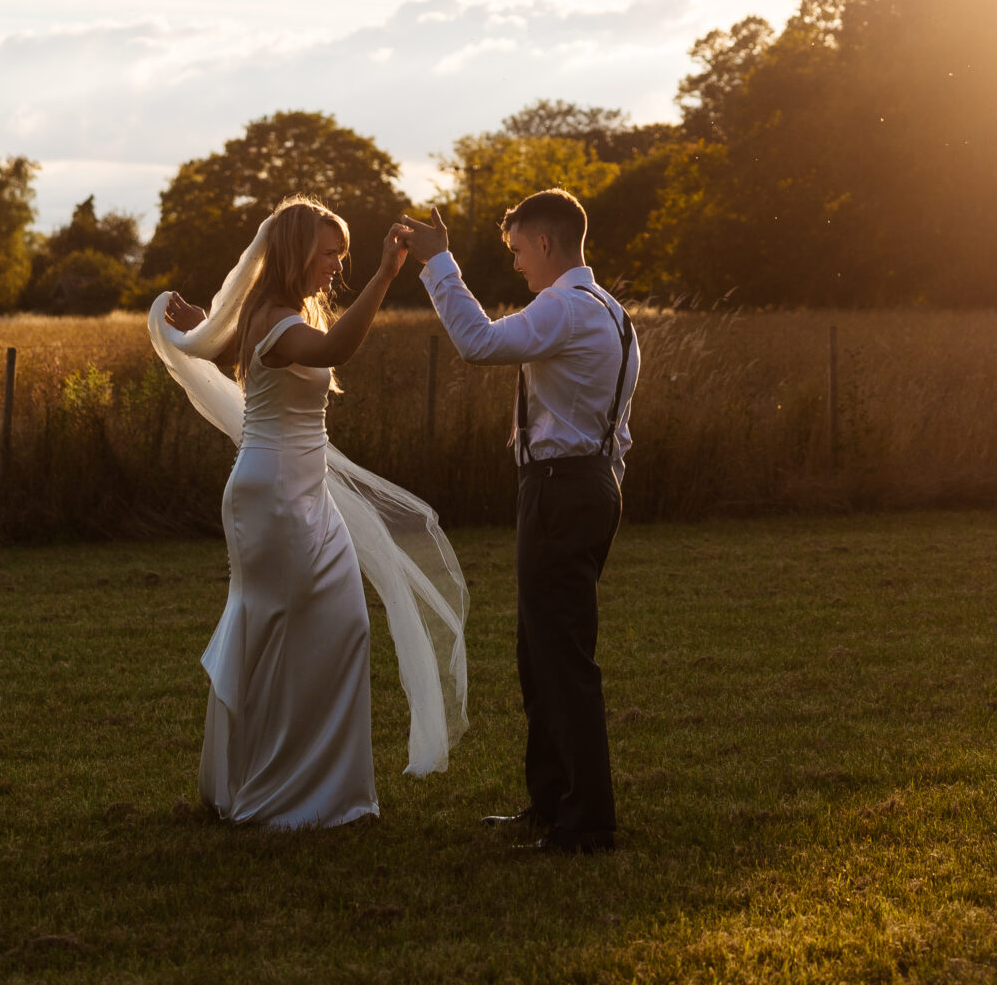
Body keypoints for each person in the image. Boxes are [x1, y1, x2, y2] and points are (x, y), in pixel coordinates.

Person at [148, 195, 468, 830]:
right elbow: (337, 350)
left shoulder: (271, 314)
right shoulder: (279, 322)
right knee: (286, 631)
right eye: (329, 255)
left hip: (299, 491)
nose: (335, 268)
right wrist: (384, 275)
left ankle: (297, 784)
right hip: (274, 497)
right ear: (296, 251)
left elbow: (225, 342)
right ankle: (283, 792)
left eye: (343, 258)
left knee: (325, 630)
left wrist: (204, 321)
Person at [395, 187, 639, 854]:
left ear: (547, 243)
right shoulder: (610, 311)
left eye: (516, 251)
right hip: (585, 484)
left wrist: (439, 263)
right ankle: (552, 806)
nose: (516, 266)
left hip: (561, 491)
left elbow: (477, 343)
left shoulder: (562, 306)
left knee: (558, 658)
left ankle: (586, 822)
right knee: (541, 654)